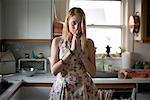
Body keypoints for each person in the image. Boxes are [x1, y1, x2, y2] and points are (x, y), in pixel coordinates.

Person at [49, 7, 99, 100]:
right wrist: (71, 52)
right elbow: (54, 71)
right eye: (74, 23)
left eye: (80, 24)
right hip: (63, 89)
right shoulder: (57, 41)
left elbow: (93, 72)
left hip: (85, 90)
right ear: (67, 23)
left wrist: (81, 53)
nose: (77, 27)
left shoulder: (89, 43)